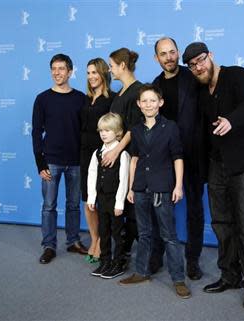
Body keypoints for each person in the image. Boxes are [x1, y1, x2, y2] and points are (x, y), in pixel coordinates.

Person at [182, 42, 244, 310]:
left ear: (211, 56)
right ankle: (230, 275)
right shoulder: (200, 90)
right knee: (221, 222)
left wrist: (230, 120)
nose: (198, 67)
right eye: (193, 65)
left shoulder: (237, 75)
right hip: (216, 164)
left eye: (201, 60)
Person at [119, 84, 191, 300]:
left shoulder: (170, 127)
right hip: (141, 187)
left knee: (169, 236)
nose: (148, 104)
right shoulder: (136, 129)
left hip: (162, 188)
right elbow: (135, 159)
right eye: (144, 101)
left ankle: (178, 279)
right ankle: (141, 272)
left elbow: (178, 157)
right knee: (144, 234)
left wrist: (178, 186)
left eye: (153, 100)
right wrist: (132, 187)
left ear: (160, 103)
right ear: (139, 105)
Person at [150, 37, 205, 280]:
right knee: (160, 211)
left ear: (178, 53)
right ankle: (156, 256)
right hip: (164, 158)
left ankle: (192, 261)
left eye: (172, 52)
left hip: (193, 154)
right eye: (163, 54)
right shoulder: (154, 85)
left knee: (194, 209)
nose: (169, 57)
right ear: (157, 58)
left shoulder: (192, 77)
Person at [32, 53, 88, 264]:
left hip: (76, 161)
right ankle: (49, 246)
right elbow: (36, 133)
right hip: (51, 162)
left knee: (73, 204)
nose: (57, 73)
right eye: (53, 69)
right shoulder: (42, 99)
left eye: (61, 69)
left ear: (70, 71)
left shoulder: (81, 98)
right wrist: (40, 163)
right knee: (49, 206)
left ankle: (73, 241)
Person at [102, 48, 143, 263]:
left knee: (131, 204)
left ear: (123, 66)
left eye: (111, 66)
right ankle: (122, 250)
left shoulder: (138, 91)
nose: (110, 70)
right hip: (116, 157)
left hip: (129, 156)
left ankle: (139, 254)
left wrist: (117, 151)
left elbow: (133, 129)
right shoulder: (119, 93)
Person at [87, 113, 130, 279]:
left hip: (115, 200)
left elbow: (124, 180)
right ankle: (105, 261)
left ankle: (118, 262)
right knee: (103, 230)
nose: (103, 134)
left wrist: (119, 203)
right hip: (102, 199)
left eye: (108, 130)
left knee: (117, 232)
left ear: (118, 132)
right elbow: (92, 175)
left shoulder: (122, 154)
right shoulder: (97, 153)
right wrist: (91, 198)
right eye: (101, 131)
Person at [80, 58, 113, 264]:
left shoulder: (112, 99)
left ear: (103, 74)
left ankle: (102, 243)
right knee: (88, 199)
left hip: (103, 156)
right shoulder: (84, 99)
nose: (91, 76)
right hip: (84, 156)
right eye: (88, 73)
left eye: (95, 72)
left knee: (102, 200)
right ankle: (94, 239)